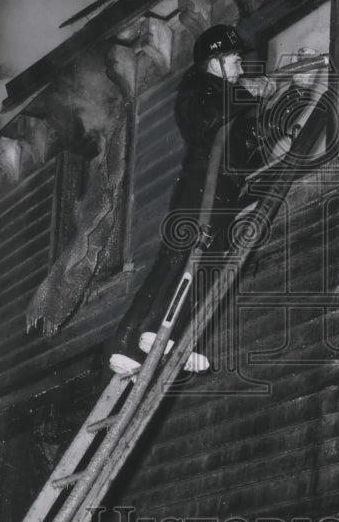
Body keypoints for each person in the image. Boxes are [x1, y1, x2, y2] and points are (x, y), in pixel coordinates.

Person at [109, 24, 276, 376]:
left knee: (197, 261)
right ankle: (152, 335)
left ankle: (144, 341)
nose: (241, 69)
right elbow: (209, 115)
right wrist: (248, 91)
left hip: (222, 190)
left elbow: (249, 149)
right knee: (185, 259)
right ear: (215, 64)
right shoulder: (199, 89)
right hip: (202, 186)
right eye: (235, 62)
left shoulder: (230, 98)